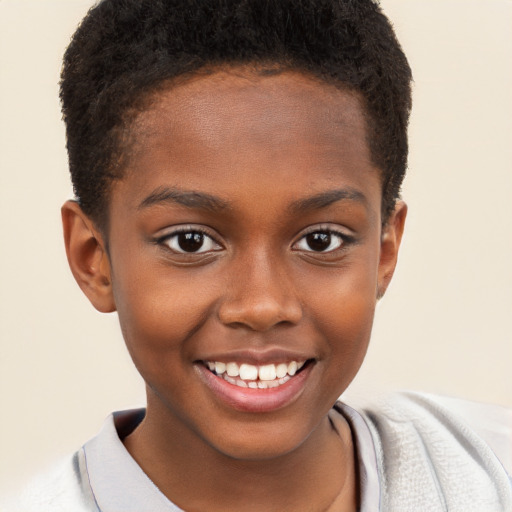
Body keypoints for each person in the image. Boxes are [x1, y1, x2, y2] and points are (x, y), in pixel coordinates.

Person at [2, 0, 511, 510]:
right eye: (190, 241)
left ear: (383, 251)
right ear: (95, 258)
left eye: (320, 240)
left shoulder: (490, 475)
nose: (262, 305)